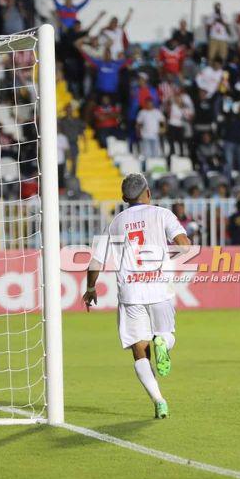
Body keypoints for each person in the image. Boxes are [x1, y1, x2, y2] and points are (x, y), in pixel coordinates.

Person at [82, 173, 191, 420]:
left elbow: (95, 262)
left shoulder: (116, 222)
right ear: (149, 193)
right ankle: (163, 344)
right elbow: (185, 245)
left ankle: (159, 401)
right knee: (165, 336)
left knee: (139, 350)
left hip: (131, 292)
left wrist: (90, 289)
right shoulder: (162, 214)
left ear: (123, 198)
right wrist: (164, 257)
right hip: (159, 288)